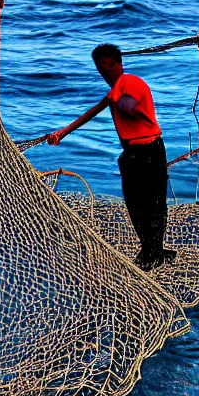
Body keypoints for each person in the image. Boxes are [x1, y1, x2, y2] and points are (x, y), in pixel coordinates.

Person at [47, 43, 176, 272]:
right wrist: (62, 133)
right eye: (100, 66)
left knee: (148, 205)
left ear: (119, 64)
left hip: (147, 152)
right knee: (142, 205)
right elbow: (94, 110)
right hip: (138, 153)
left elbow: (130, 102)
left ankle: (152, 252)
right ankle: (152, 250)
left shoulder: (128, 82)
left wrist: (129, 105)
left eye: (109, 65)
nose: (105, 70)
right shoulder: (115, 91)